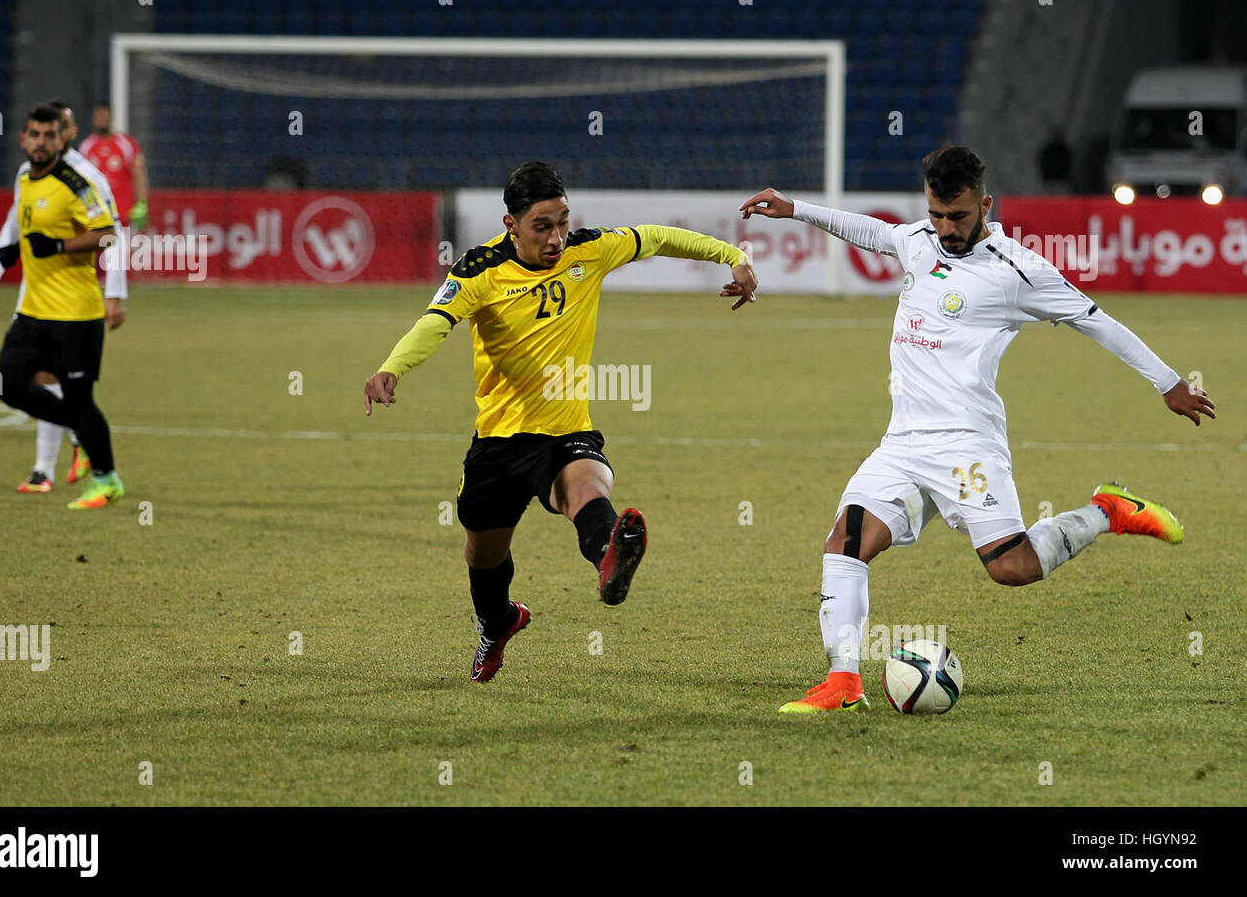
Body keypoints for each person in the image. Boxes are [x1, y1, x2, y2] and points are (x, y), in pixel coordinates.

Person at [738, 146, 1215, 713]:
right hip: (903, 444)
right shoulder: (919, 238)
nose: (945, 228)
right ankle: (843, 682)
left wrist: (1167, 383)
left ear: (985, 204)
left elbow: (1096, 322)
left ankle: (1106, 512)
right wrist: (796, 209)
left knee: (1011, 568)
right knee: (845, 543)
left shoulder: (1018, 271)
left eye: (958, 216)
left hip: (967, 444)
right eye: (936, 214)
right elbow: (870, 231)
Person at [365, 161, 758, 682]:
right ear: (512, 225)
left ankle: (609, 559)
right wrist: (393, 367)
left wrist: (733, 256)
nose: (556, 237)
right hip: (500, 440)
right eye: (542, 226)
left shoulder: (588, 251)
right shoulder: (479, 268)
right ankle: (498, 622)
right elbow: (434, 323)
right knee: (483, 553)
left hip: (566, 428)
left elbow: (658, 237)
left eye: (562, 222)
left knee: (585, 490)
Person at [0, 103, 127, 510]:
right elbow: (18, 234)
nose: (41, 143)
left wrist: (60, 246)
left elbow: (109, 235)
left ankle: (106, 479)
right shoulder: (24, 177)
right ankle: (82, 436)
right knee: (7, 383)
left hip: (76, 314)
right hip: (34, 312)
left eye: (49, 135)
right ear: (23, 139)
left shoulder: (77, 184)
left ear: (63, 139)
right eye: (34, 135)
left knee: (78, 401)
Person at [81, 103, 149, 233]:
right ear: (94, 119)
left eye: (105, 117)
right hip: (97, 215)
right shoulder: (86, 147)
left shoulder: (125, 144)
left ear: (111, 118)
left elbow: (139, 176)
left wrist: (142, 205)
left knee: (121, 251)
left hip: (123, 214)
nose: (102, 121)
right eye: (99, 117)